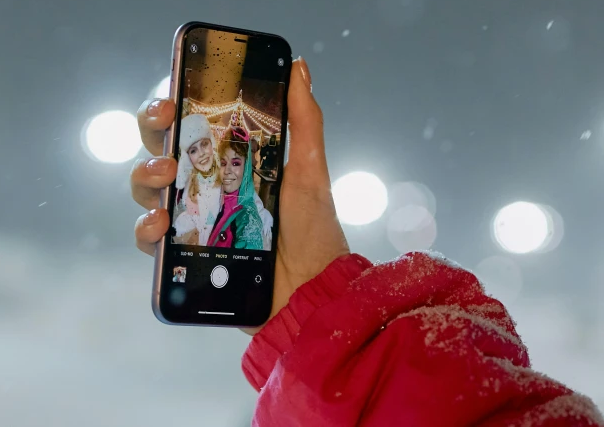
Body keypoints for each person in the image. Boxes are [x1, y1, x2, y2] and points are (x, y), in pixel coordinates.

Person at [132, 58, 604, 426]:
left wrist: (319, 315)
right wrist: (310, 304)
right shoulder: (204, 197)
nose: (221, 166)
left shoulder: (252, 206)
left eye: (232, 160)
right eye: (196, 151)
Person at [208, 125, 265, 250]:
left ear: (246, 167)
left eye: (235, 163)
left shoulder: (248, 218)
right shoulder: (215, 201)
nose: (227, 170)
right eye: (223, 163)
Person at [172, 113, 222, 246]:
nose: (201, 153)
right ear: (188, 157)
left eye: (204, 144)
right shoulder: (191, 184)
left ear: (212, 144)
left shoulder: (226, 177)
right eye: (193, 150)